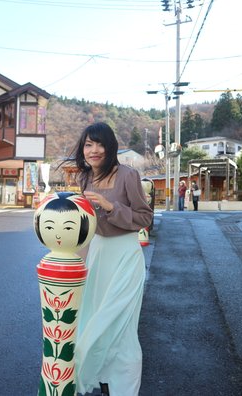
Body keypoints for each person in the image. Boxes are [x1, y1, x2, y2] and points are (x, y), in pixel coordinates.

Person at [71, 122, 153, 396]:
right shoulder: (84, 179)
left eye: (100, 144)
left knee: (120, 326)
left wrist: (110, 207)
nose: (94, 150)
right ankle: (99, 377)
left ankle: (122, 388)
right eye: (88, 144)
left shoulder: (128, 175)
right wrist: (77, 265)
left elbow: (144, 217)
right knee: (93, 320)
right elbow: (86, 227)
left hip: (125, 258)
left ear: (110, 147)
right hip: (97, 256)